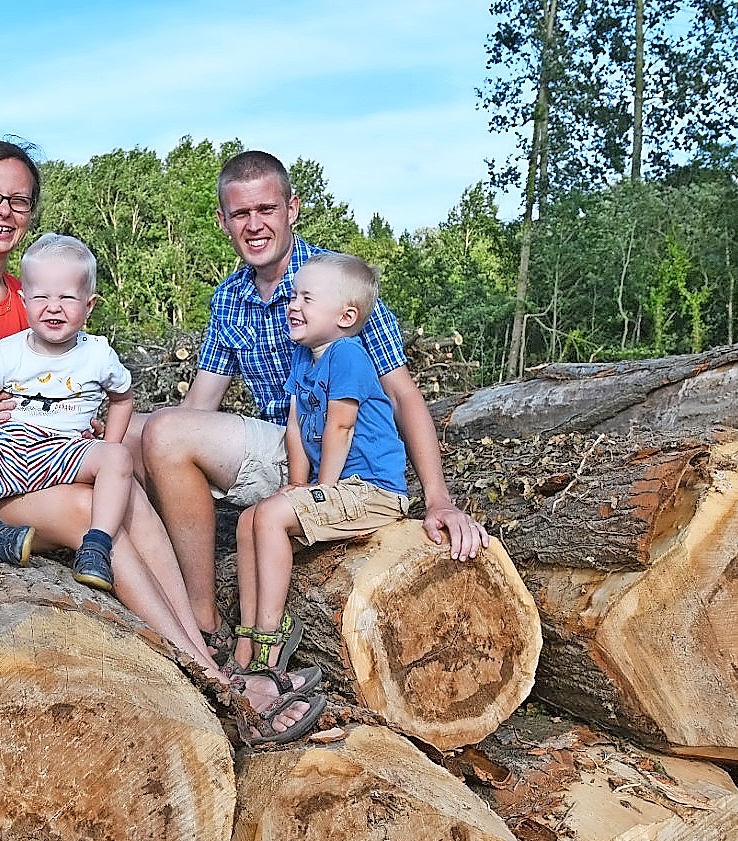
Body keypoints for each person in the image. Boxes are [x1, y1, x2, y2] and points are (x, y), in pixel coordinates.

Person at [0, 139, 323, 746]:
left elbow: (75, 393)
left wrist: (78, 428)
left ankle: (202, 644)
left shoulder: (29, 301)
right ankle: (209, 677)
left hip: (22, 460)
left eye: (20, 200)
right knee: (94, 514)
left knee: (125, 492)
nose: (4, 211)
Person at [137, 150, 490, 665]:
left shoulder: (332, 283)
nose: (254, 225)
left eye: (266, 210)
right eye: (240, 214)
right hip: (286, 447)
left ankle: (203, 621)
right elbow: (199, 405)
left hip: (340, 464)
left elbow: (402, 394)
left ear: (292, 208)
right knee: (133, 435)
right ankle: (91, 541)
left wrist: (437, 498)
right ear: (223, 220)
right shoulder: (229, 298)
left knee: (163, 433)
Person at [233, 252, 413, 673]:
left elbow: (341, 428)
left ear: (346, 316)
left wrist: (320, 489)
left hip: (372, 491)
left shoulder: (347, 355)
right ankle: (245, 637)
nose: (293, 305)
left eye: (306, 298)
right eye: (293, 296)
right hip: (337, 485)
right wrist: (297, 483)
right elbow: (295, 425)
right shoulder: (303, 358)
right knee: (248, 521)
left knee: (273, 518)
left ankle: (270, 639)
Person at [0, 233, 134, 592]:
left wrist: (105, 446)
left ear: (89, 305)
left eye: (68, 297)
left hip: (65, 450)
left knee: (118, 458)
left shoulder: (98, 355)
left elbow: (123, 399)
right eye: (41, 297)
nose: (54, 307)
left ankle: (96, 546)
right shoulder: (9, 352)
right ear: (23, 301)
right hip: (4, 447)